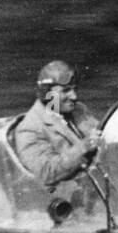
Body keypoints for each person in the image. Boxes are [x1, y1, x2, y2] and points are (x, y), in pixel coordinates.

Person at [14, 60, 102, 209]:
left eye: (74, 89)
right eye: (66, 90)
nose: (74, 96)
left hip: (97, 185)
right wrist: (84, 147)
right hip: (68, 200)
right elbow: (46, 172)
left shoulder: (78, 110)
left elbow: (102, 135)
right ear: (48, 93)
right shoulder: (30, 128)